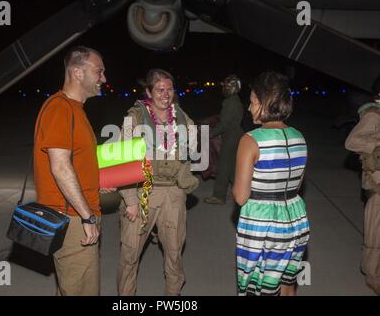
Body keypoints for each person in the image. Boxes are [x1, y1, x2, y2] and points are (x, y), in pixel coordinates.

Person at [34, 46, 112, 295]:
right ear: (78, 72)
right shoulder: (61, 108)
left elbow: (76, 163)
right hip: (73, 219)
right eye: (99, 72)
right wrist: (87, 216)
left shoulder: (75, 110)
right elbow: (60, 167)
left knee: (71, 287)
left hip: (78, 214)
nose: (103, 78)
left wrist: (97, 183)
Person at [117, 69, 199, 296]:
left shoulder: (182, 118)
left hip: (173, 195)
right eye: (160, 90)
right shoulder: (134, 118)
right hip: (142, 193)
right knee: (130, 254)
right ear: (149, 92)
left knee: (174, 254)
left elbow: (189, 154)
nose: (165, 94)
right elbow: (123, 161)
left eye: (170, 89)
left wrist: (185, 180)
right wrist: (130, 200)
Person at [232, 71, 310, 296]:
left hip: (263, 224)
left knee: (258, 288)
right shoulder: (299, 137)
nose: (249, 108)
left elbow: (240, 196)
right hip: (296, 220)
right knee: (288, 284)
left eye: (253, 102)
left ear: (266, 104)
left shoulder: (251, 140)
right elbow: (297, 184)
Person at [345, 74, 380, 295]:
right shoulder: (373, 115)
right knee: (375, 232)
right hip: (378, 185)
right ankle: (372, 275)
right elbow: (351, 142)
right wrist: (377, 143)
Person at [204, 75, 244, 205]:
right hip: (236, 135)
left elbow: (224, 124)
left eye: (227, 86)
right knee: (232, 166)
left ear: (233, 88)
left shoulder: (230, 102)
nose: (224, 88)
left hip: (231, 137)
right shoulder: (236, 100)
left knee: (223, 167)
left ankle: (219, 196)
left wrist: (212, 133)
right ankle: (239, 190)